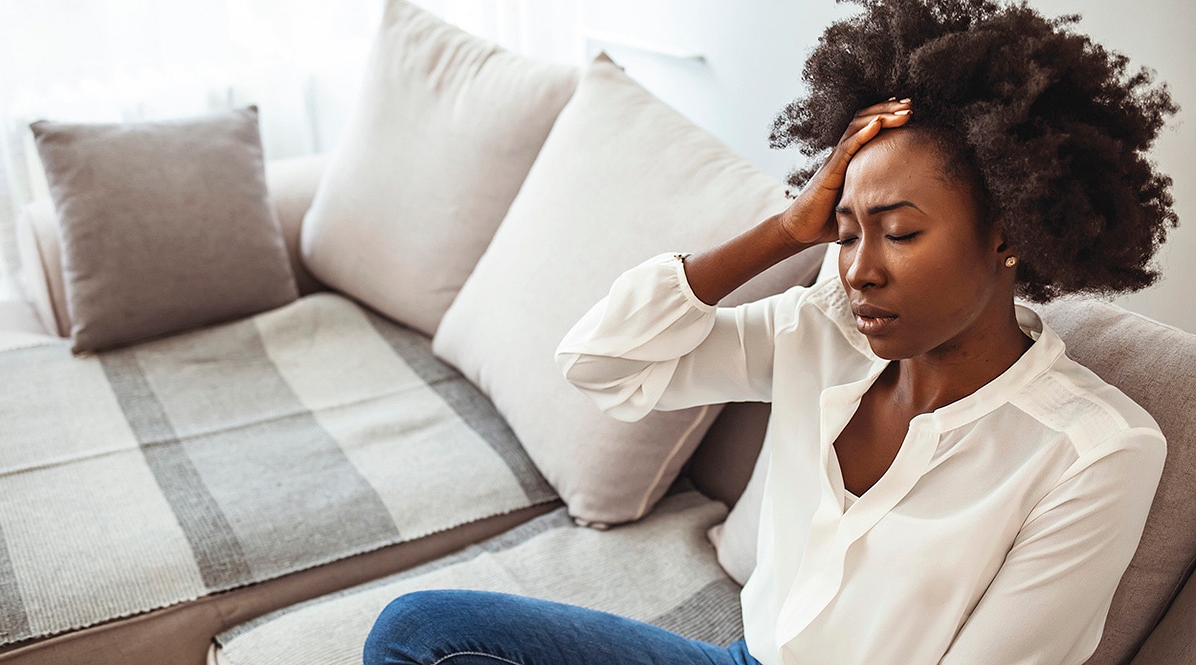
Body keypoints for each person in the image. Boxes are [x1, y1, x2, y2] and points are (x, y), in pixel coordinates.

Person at [363, 0, 1177, 663]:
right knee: (418, 632)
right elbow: (600, 363)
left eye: (898, 232)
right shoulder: (820, 333)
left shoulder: (1095, 450)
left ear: (1006, 232)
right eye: (845, 229)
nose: (860, 268)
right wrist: (784, 233)